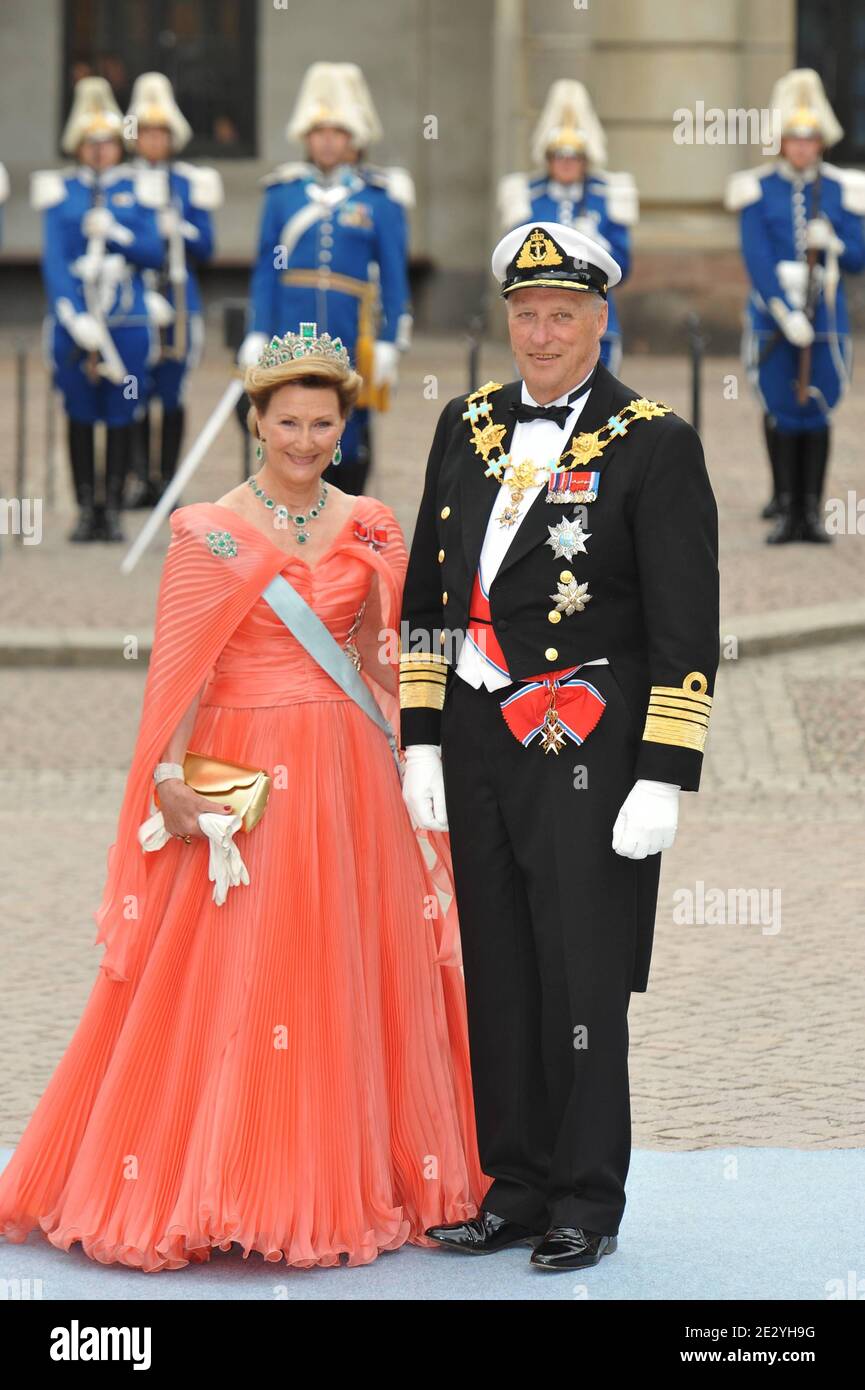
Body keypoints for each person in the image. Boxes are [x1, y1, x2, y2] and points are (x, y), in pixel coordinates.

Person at [0, 326, 487, 1271]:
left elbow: (392, 660)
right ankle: (220, 1177)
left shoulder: (376, 527)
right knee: (236, 972)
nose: (304, 440)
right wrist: (169, 778)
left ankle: (338, 1171)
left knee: (343, 967)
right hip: (246, 774)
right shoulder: (205, 531)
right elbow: (176, 675)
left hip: (348, 771)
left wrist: (425, 759)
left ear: (344, 427)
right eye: (286, 422)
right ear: (255, 423)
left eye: (322, 423)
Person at [398, 222, 720, 1271]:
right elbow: (429, 597)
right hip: (484, 738)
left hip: (585, 747)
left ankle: (586, 1194)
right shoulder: (467, 422)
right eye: (525, 315)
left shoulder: (653, 440)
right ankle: (516, 1181)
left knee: (581, 978)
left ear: (598, 320)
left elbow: (685, 627)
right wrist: (422, 742)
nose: (540, 334)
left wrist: (664, 773)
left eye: (561, 315)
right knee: (496, 966)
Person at [238, 62, 413, 496]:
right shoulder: (283, 193)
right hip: (288, 330)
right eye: (319, 131)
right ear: (306, 137)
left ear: (355, 137)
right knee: (286, 423)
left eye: (337, 131)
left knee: (349, 432)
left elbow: (393, 273)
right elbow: (268, 266)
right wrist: (258, 329)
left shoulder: (380, 198)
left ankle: (344, 516)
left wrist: (393, 338)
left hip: (351, 332)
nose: (328, 140)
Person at [725, 68, 865, 542]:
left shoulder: (842, 188)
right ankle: (786, 509)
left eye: (811, 140)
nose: (803, 148)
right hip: (773, 319)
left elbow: (860, 256)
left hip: (825, 320)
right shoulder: (758, 189)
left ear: (820, 142)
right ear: (782, 142)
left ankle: (811, 511)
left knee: (818, 405)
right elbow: (757, 257)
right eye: (794, 139)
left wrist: (838, 243)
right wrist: (783, 312)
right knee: (782, 405)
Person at [30, 77, 164, 543]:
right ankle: (86, 507)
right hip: (78, 328)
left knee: (125, 409)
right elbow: (53, 260)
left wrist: (120, 235)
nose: (101, 150)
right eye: (92, 142)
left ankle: (113, 508)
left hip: (126, 323)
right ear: (79, 146)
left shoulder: (138, 190)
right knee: (81, 413)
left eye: (108, 142)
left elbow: (154, 252)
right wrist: (72, 314)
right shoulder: (61, 194)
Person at [124, 73, 223, 508]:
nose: (153, 139)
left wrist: (179, 228)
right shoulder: (121, 180)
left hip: (181, 299)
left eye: (161, 132)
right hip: (133, 296)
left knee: (172, 391)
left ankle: (166, 481)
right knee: (134, 387)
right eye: (146, 131)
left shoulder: (188, 181)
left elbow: (207, 246)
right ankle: (138, 477)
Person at [498, 81, 637, 374]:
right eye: (559, 156)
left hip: (596, 323)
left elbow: (623, 268)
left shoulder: (607, 196)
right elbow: (515, 267)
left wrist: (600, 243)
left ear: (585, 160)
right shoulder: (526, 196)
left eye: (573, 156)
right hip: (540, 326)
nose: (566, 163)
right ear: (548, 159)